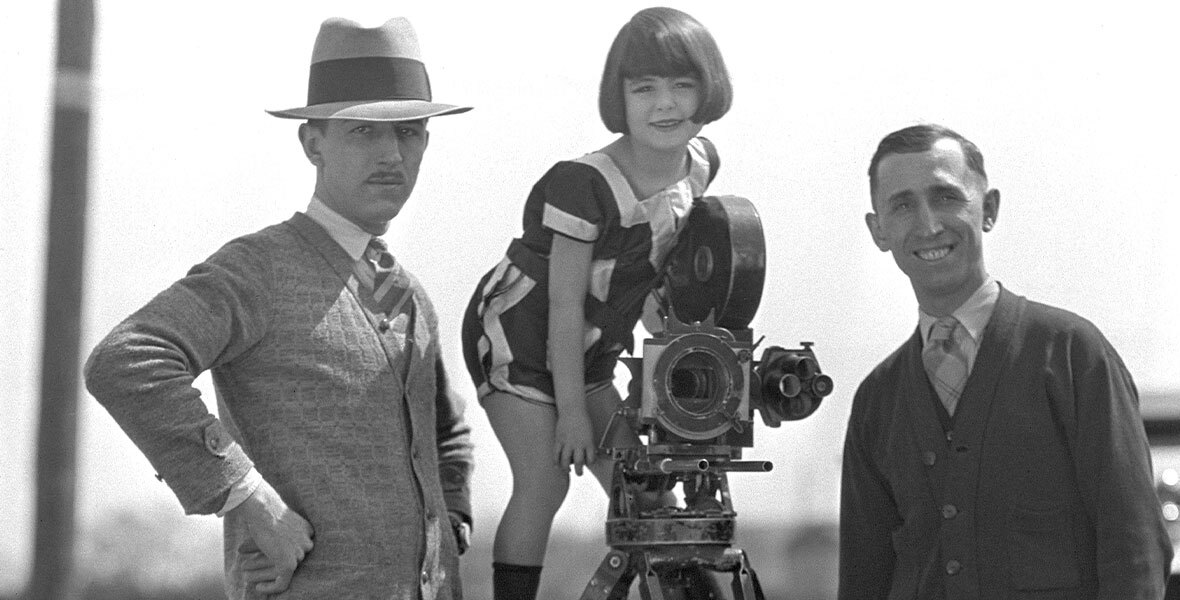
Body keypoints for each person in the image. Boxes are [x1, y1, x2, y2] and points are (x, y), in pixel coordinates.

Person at [84, 17, 474, 599]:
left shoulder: (410, 295)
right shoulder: (258, 269)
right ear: (313, 142)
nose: (392, 154)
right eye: (364, 131)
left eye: (410, 132)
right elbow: (125, 362)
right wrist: (246, 496)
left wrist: (445, 529)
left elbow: (446, 432)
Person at [459, 7, 731, 599]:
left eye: (683, 85)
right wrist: (575, 416)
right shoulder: (584, 185)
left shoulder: (700, 165)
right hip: (522, 329)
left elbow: (675, 256)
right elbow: (561, 302)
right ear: (619, 97)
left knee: (645, 492)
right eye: (645, 88)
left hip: (593, 346)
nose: (666, 104)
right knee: (546, 479)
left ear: (709, 89)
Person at [840, 123, 1172, 598]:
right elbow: (863, 578)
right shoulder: (877, 399)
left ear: (988, 209)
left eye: (947, 197)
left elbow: (1135, 551)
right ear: (879, 231)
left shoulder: (1073, 354)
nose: (929, 224)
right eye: (903, 204)